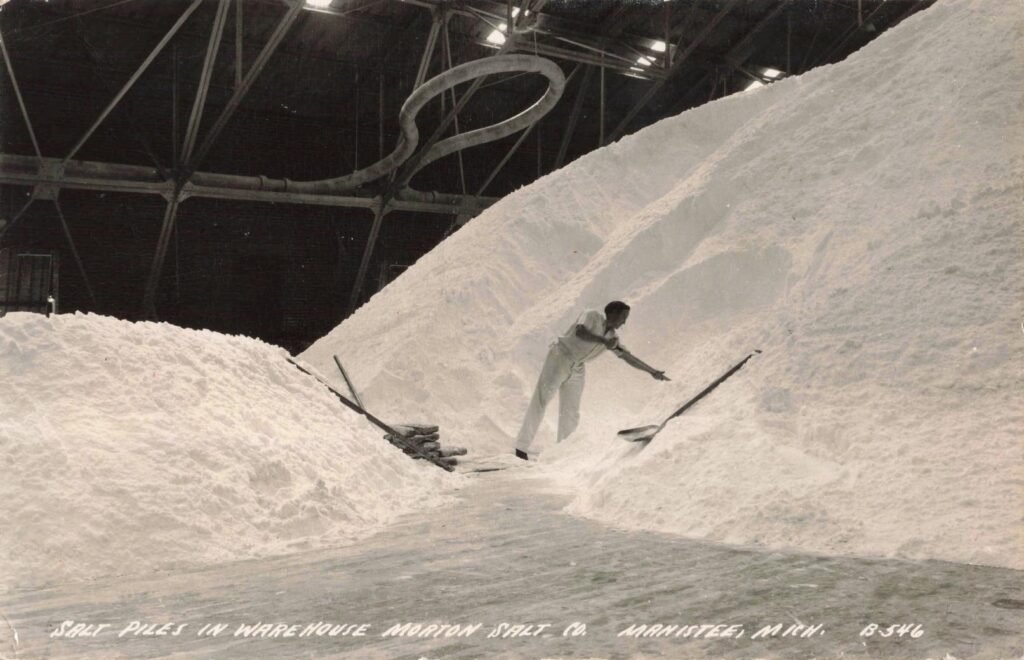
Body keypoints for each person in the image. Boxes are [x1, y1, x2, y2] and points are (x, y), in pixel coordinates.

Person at [514, 301, 669, 460]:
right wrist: (604, 341)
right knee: (541, 400)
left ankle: (562, 453)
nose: (624, 322)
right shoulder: (592, 315)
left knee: (571, 411)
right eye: (623, 317)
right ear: (613, 313)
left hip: (578, 366)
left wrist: (653, 372)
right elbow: (580, 332)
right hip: (560, 356)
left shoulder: (613, 337)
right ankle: (521, 447)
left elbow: (627, 357)